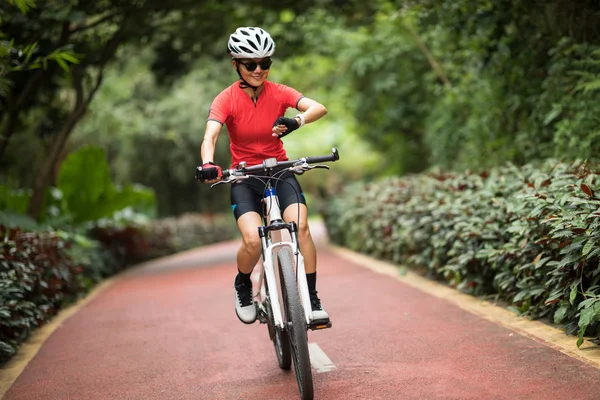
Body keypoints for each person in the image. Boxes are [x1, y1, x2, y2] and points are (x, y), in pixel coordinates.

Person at [199, 27, 329, 325]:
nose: (259, 70)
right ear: (236, 65)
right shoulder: (226, 99)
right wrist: (208, 163)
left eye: (265, 63)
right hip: (244, 177)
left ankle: (311, 297)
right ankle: (243, 284)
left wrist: (296, 121)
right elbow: (211, 135)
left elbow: (318, 108)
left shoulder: (280, 92)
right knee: (252, 242)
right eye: (250, 64)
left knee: (302, 228)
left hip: (280, 170)